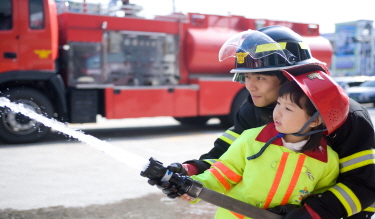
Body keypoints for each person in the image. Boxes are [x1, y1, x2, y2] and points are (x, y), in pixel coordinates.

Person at [150, 26, 375, 219]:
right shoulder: (254, 110)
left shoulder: (345, 117)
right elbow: (225, 155)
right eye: (246, 76)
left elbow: (365, 184)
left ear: (290, 77)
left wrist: (310, 213)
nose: (250, 86)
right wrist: (185, 172)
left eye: (260, 77)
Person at [177, 69, 345, 219]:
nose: (277, 112)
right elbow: (221, 175)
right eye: (279, 103)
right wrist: (194, 188)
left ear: (315, 120)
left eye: (288, 109)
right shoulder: (251, 139)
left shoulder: (327, 161)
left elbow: (321, 199)